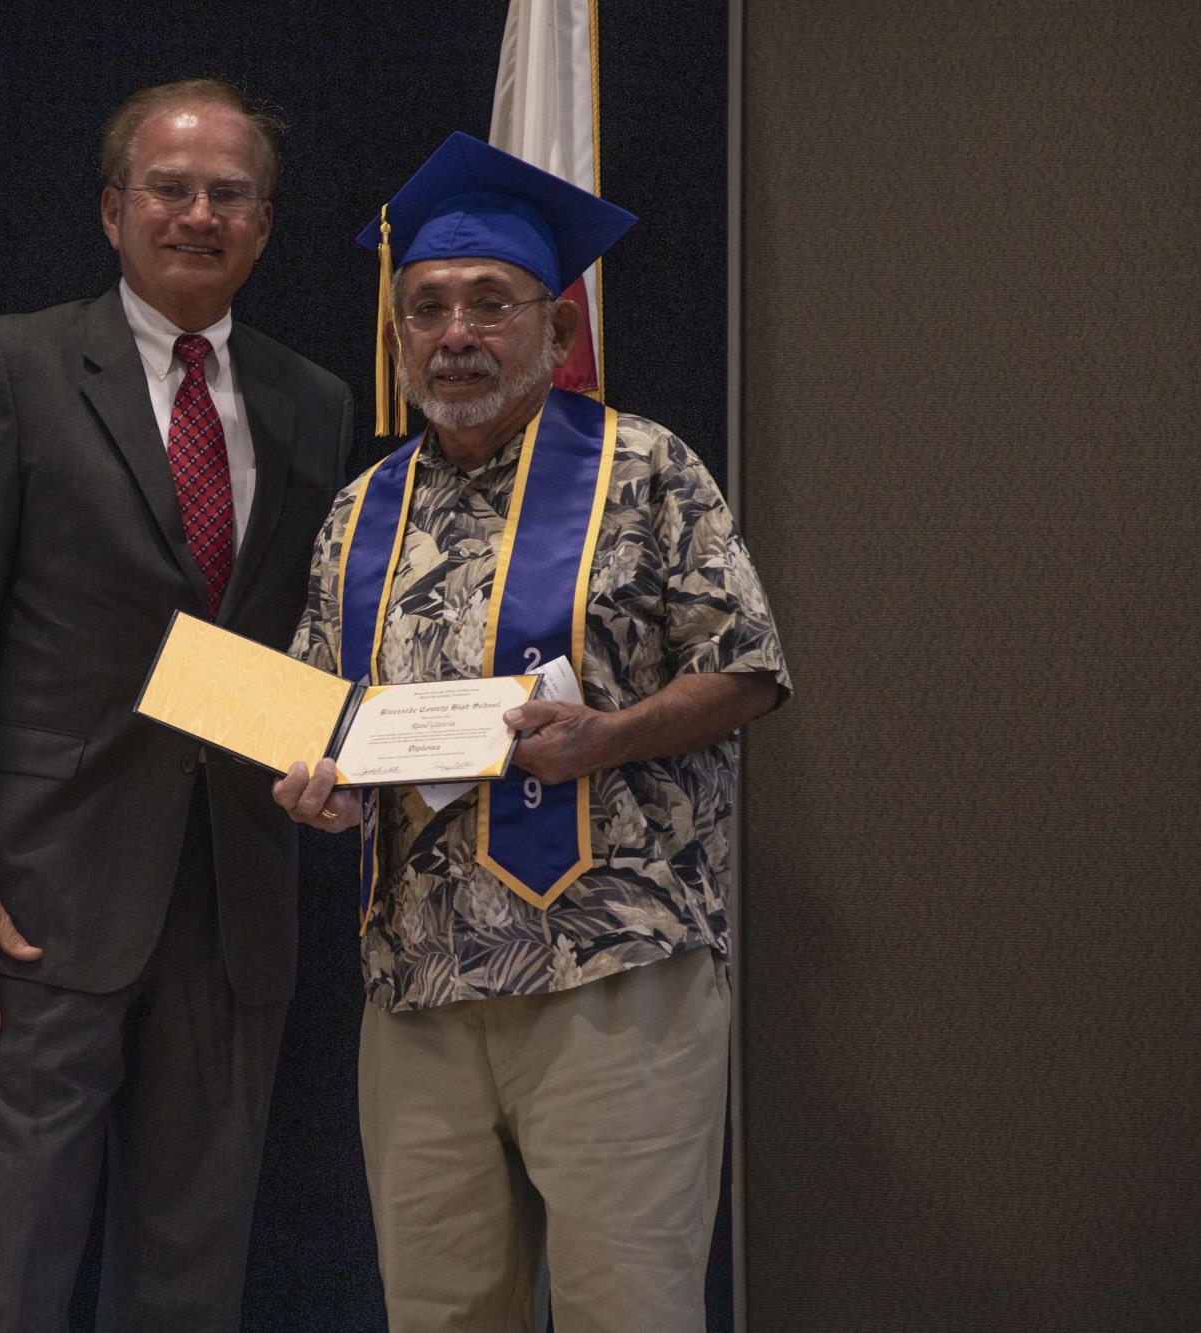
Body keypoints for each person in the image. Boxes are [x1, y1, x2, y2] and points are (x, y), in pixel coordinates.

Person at [273, 132, 791, 1333]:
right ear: (397, 338)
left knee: (627, 1310)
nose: (455, 333)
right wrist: (308, 784)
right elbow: (316, 710)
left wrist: (603, 738)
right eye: (427, 309)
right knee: (442, 1316)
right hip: (414, 983)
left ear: (555, 332)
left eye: (490, 305)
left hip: (610, 971)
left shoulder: (646, 468)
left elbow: (750, 668)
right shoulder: (361, 509)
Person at [0, 79, 353, 1331]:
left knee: (192, 1278)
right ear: (111, 210)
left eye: (228, 193)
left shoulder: (316, 402)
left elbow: (303, 645)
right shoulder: (14, 366)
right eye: (169, 187)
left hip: (237, 896)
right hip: (37, 903)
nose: (197, 213)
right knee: (8, 1267)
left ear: (262, 222)